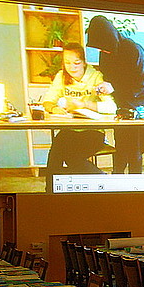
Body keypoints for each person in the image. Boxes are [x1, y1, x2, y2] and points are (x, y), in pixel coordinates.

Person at [42, 42, 116, 192]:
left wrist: (83, 104)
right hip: (69, 130)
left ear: (84, 62)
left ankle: (104, 180)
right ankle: (50, 191)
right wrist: (54, 108)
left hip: (92, 132)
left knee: (71, 157)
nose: (72, 67)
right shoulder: (61, 76)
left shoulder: (96, 76)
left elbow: (111, 107)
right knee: (55, 153)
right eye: (67, 63)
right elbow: (47, 100)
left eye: (76, 62)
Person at [86, 15, 144, 174]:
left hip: (139, 100)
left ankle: (132, 179)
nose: (102, 51)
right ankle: (118, 175)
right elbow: (108, 76)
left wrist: (113, 87)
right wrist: (102, 87)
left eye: (102, 47)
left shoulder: (133, 50)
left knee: (132, 144)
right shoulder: (106, 49)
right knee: (122, 142)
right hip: (121, 100)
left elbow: (139, 85)